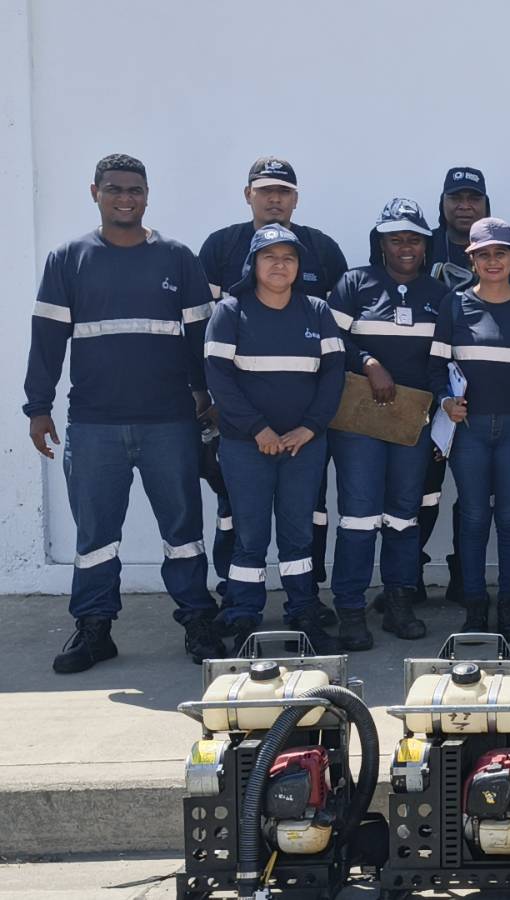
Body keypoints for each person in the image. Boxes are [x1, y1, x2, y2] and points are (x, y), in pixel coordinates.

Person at [26, 154, 223, 673]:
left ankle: (197, 620)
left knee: (183, 531)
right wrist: (38, 406)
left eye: (135, 190)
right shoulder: (68, 259)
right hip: (94, 423)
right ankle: (94, 629)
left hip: (170, 422)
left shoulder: (177, 258)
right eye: (114, 189)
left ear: (147, 195)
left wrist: (208, 396)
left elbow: (202, 340)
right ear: (95, 192)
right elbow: (47, 339)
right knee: (95, 537)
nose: (125, 198)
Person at [198, 156, 347, 615]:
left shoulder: (317, 307)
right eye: (269, 257)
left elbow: (334, 373)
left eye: (288, 258)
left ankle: (304, 608)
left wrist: (310, 427)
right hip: (246, 442)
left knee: (300, 531)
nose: (280, 265)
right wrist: (257, 429)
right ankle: (241, 611)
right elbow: (218, 374)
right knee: (248, 532)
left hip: (304, 442)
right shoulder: (230, 307)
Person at [324, 199, 446, 649]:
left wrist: (441, 415)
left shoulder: (438, 295)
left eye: (414, 239)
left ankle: (398, 603)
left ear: (426, 245)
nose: (406, 247)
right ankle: (351, 610)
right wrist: (368, 361)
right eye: (396, 239)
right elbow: (331, 340)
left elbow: (444, 359)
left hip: (412, 421)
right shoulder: (355, 283)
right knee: (359, 516)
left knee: (403, 516)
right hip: (358, 420)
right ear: (381, 243)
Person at [430, 218, 510, 643]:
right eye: (484, 254)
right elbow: (436, 368)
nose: (493, 261)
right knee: (475, 518)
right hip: (470, 430)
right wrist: (445, 401)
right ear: (472, 260)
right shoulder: (454, 305)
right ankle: (476, 608)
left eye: (500, 253)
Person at [417, 166, 491, 604]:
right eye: (456, 198)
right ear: (442, 203)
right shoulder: (420, 245)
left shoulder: (499, 251)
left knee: (474, 497)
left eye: (473, 198)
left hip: (480, 398)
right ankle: (410, 576)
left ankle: (465, 576)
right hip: (426, 392)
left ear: (485, 204)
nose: (464, 206)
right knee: (422, 492)